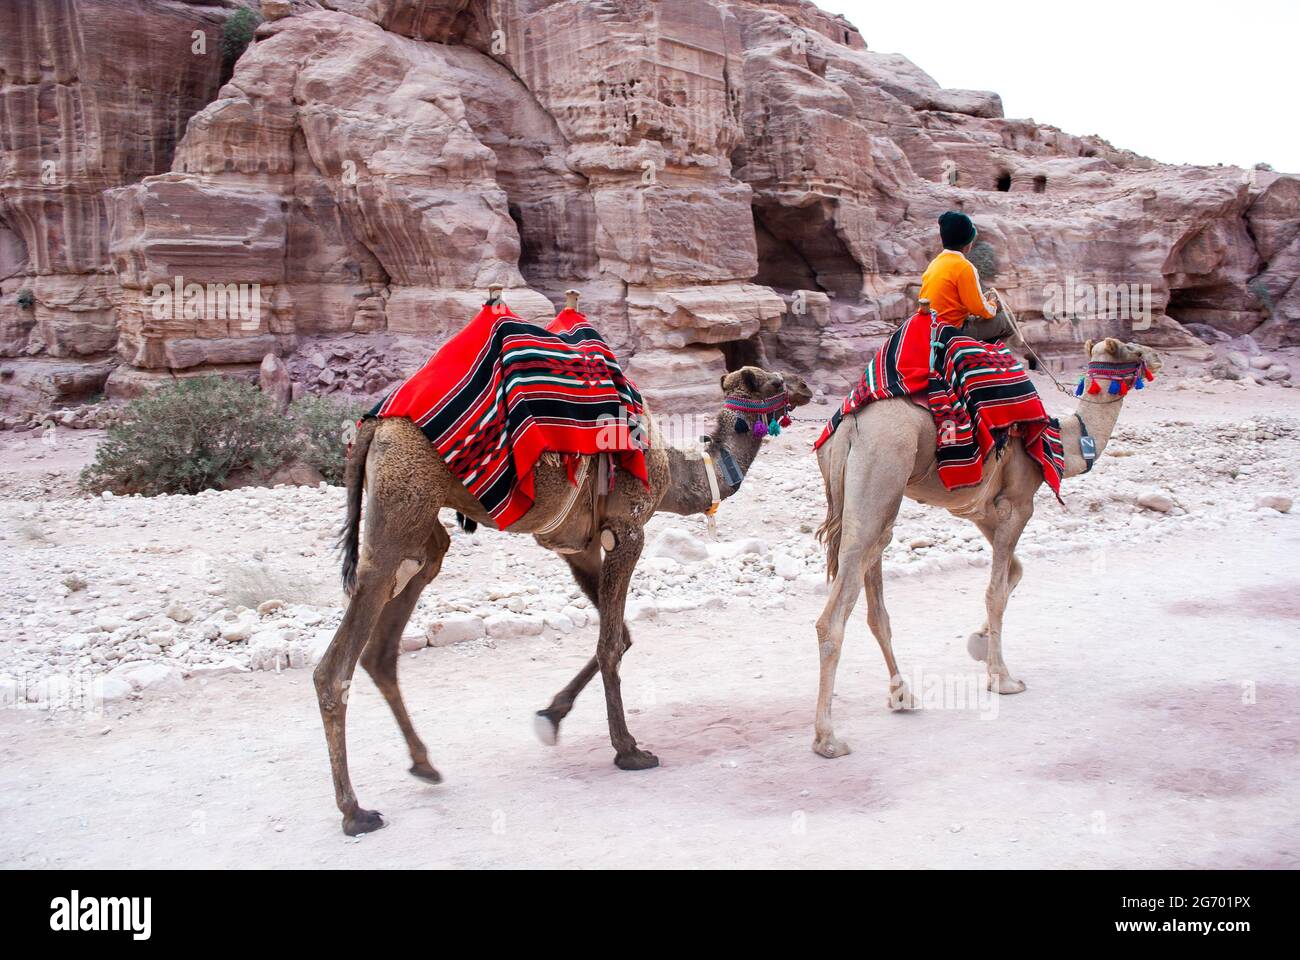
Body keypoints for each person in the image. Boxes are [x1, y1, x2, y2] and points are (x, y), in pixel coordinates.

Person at [920, 211, 999, 328]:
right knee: (1004, 322)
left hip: (931, 326)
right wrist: (994, 304)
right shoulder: (964, 267)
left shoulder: (935, 263)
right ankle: (983, 346)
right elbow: (979, 308)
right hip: (951, 330)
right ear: (968, 243)